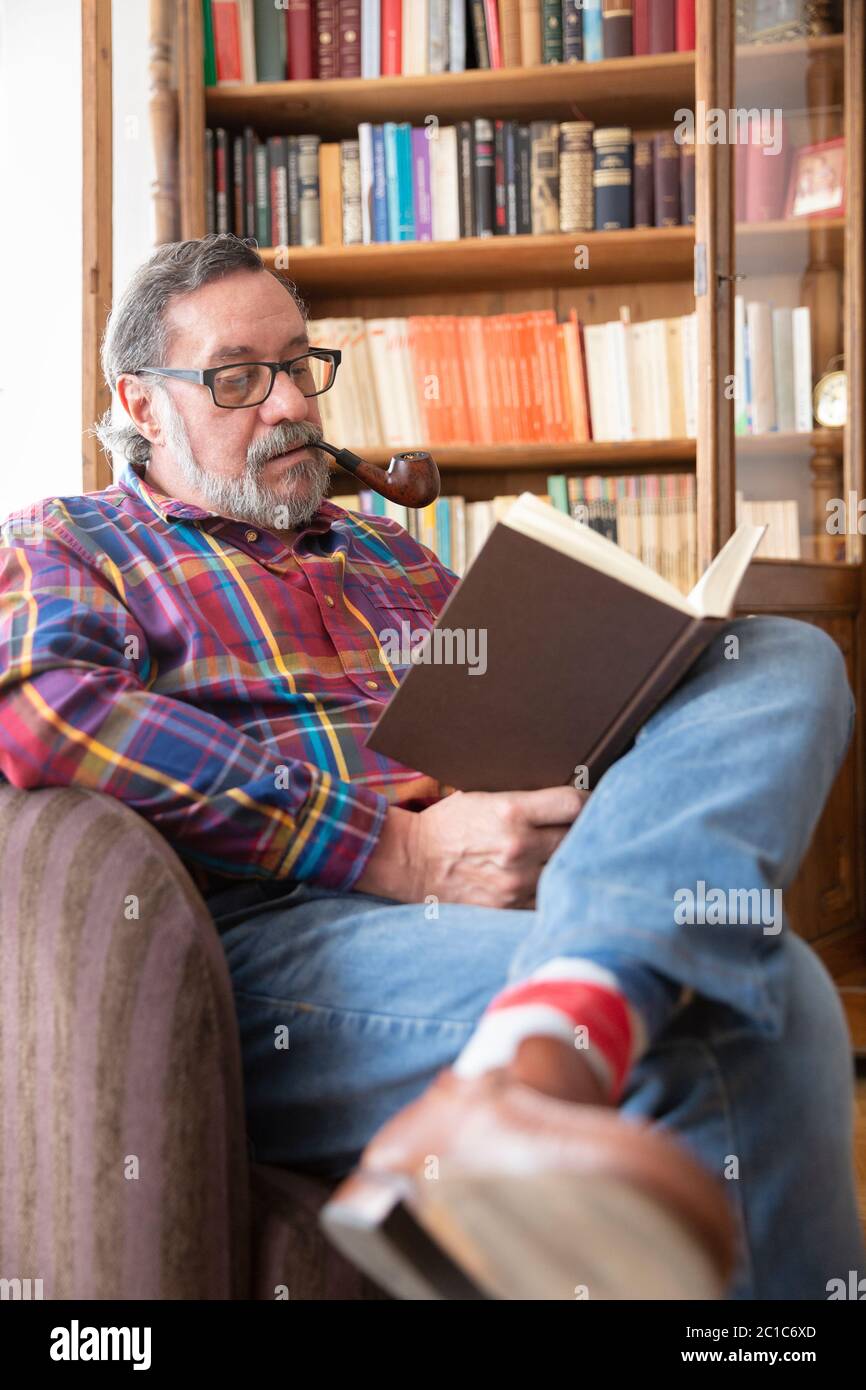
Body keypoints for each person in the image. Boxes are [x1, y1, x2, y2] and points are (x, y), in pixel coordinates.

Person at [0, 234, 862, 1300]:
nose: (288, 407)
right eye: (237, 377)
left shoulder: (391, 552)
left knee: (774, 650)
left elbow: (519, 709)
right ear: (140, 402)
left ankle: (555, 1015)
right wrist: (395, 848)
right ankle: (571, 1022)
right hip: (284, 941)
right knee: (752, 993)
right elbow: (52, 717)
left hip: (522, 887)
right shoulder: (69, 540)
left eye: (300, 366)